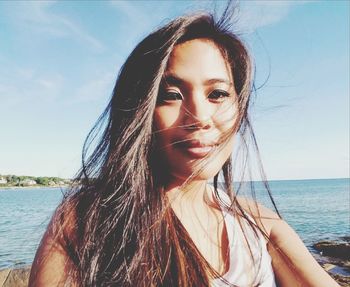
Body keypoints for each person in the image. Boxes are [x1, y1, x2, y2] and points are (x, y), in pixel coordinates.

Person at [29, 5, 339, 287]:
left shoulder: (261, 226)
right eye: (171, 95)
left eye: (217, 94)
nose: (200, 118)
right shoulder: (87, 221)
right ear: (139, 111)